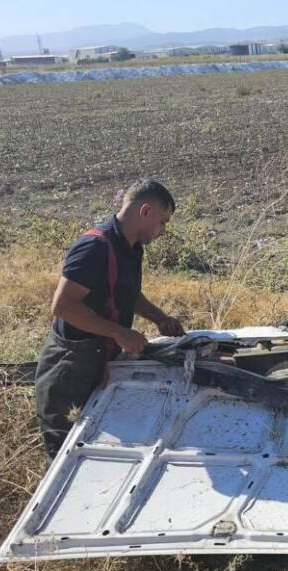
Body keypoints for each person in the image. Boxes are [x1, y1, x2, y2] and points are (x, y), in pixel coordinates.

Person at [34, 180, 186, 459]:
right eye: (163, 221)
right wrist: (120, 333)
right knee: (66, 458)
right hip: (70, 370)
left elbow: (127, 294)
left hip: (100, 361)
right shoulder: (94, 248)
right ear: (145, 211)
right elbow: (64, 305)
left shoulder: (131, 248)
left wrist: (159, 318)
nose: (164, 230)